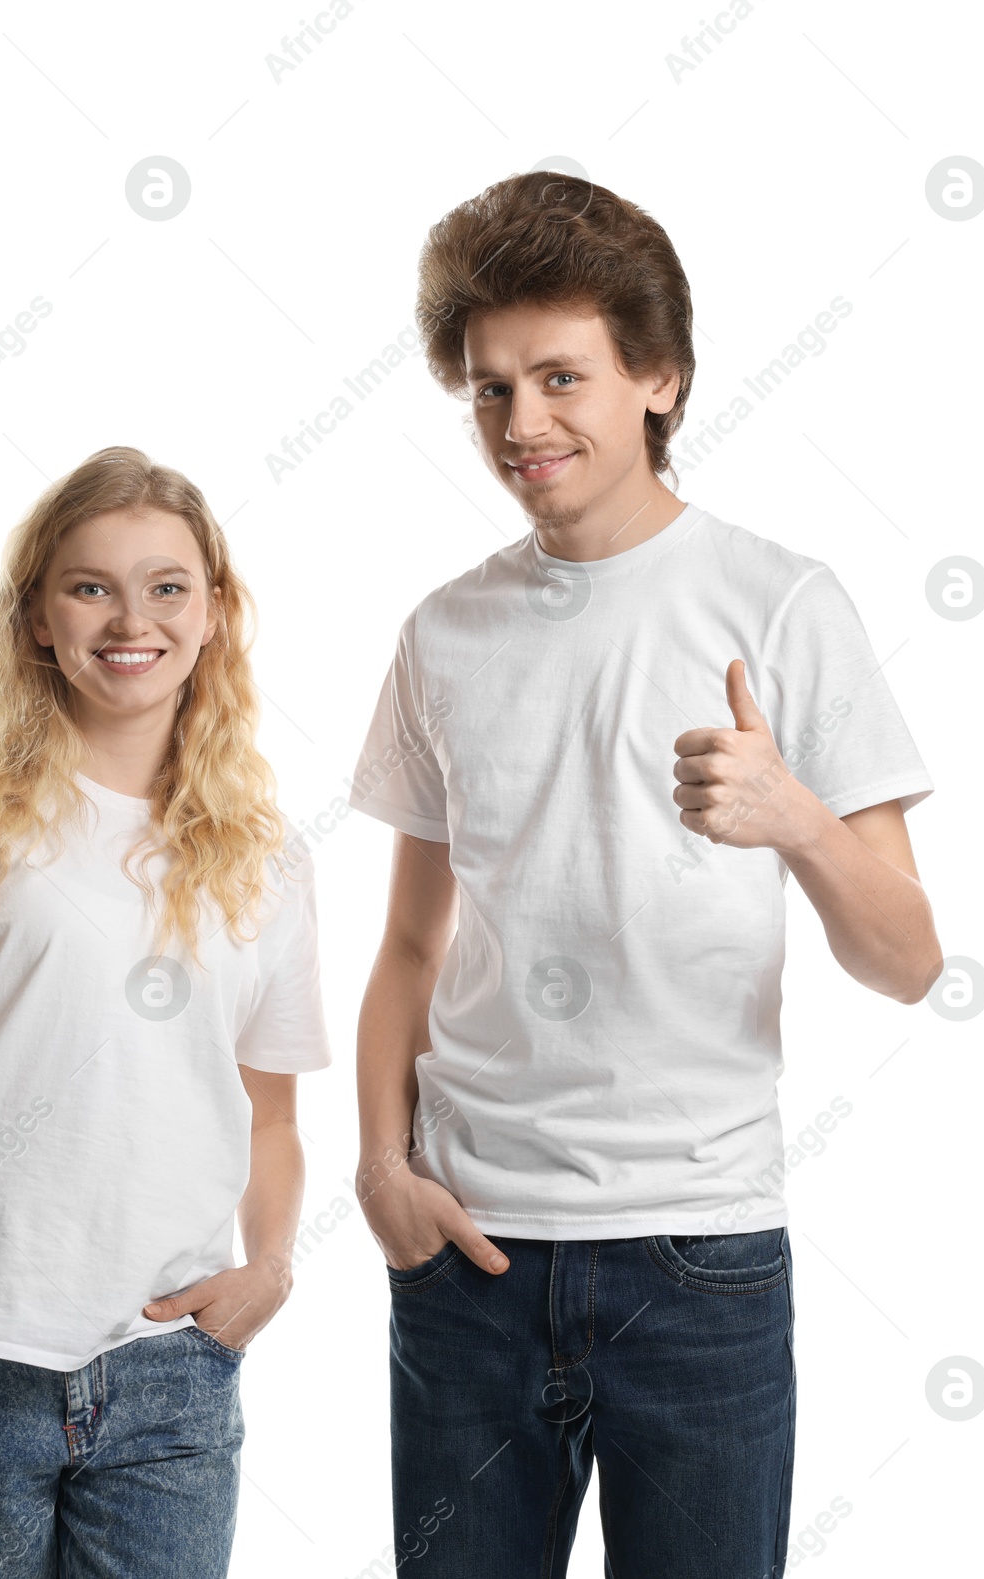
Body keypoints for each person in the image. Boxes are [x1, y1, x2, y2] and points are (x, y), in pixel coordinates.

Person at [349, 172, 942, 1578]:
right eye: (489, 389)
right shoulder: (444, 631)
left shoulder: (783, 603)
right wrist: (382, 1168)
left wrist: (796, 817)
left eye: (562, 377)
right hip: (473, 1252)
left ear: (660, 376)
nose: (521, 424)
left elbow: (911, 958)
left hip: (701, 1256)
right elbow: (409, 949)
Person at [0, 446, 330, 1579]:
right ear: (39, 618)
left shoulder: (267, 857)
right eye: (90, 586)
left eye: (167, 585)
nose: (129, 617)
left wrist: (270, 1270)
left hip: (168, 1367)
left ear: (215, 614)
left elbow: (269, 1114)